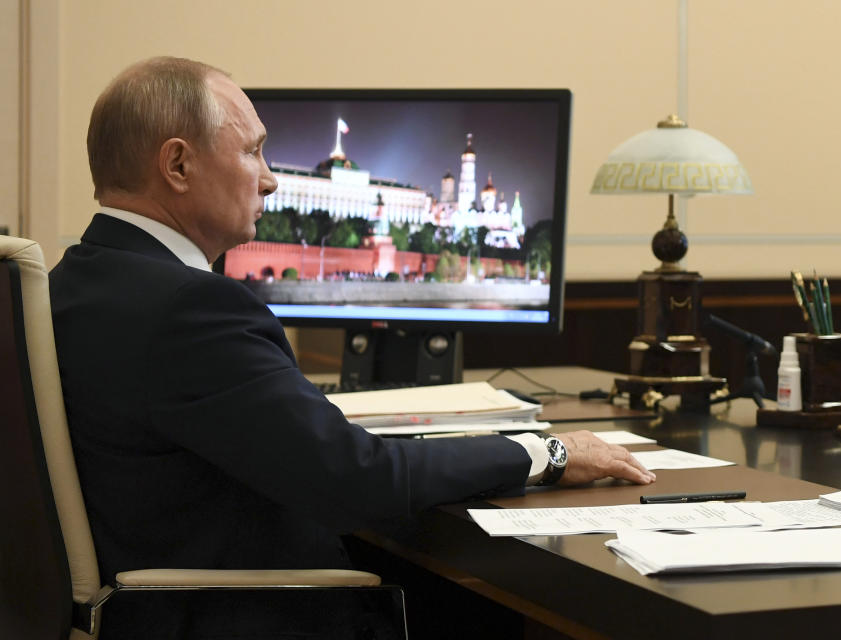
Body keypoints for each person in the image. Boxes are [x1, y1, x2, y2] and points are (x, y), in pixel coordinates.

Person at [49, 56, 655, 639]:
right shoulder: (192, 309)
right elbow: (363, 480)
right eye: (253, 150)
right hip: (251, 614)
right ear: (178, 166)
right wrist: (544, 451)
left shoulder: (70, 283)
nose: (270, 178)